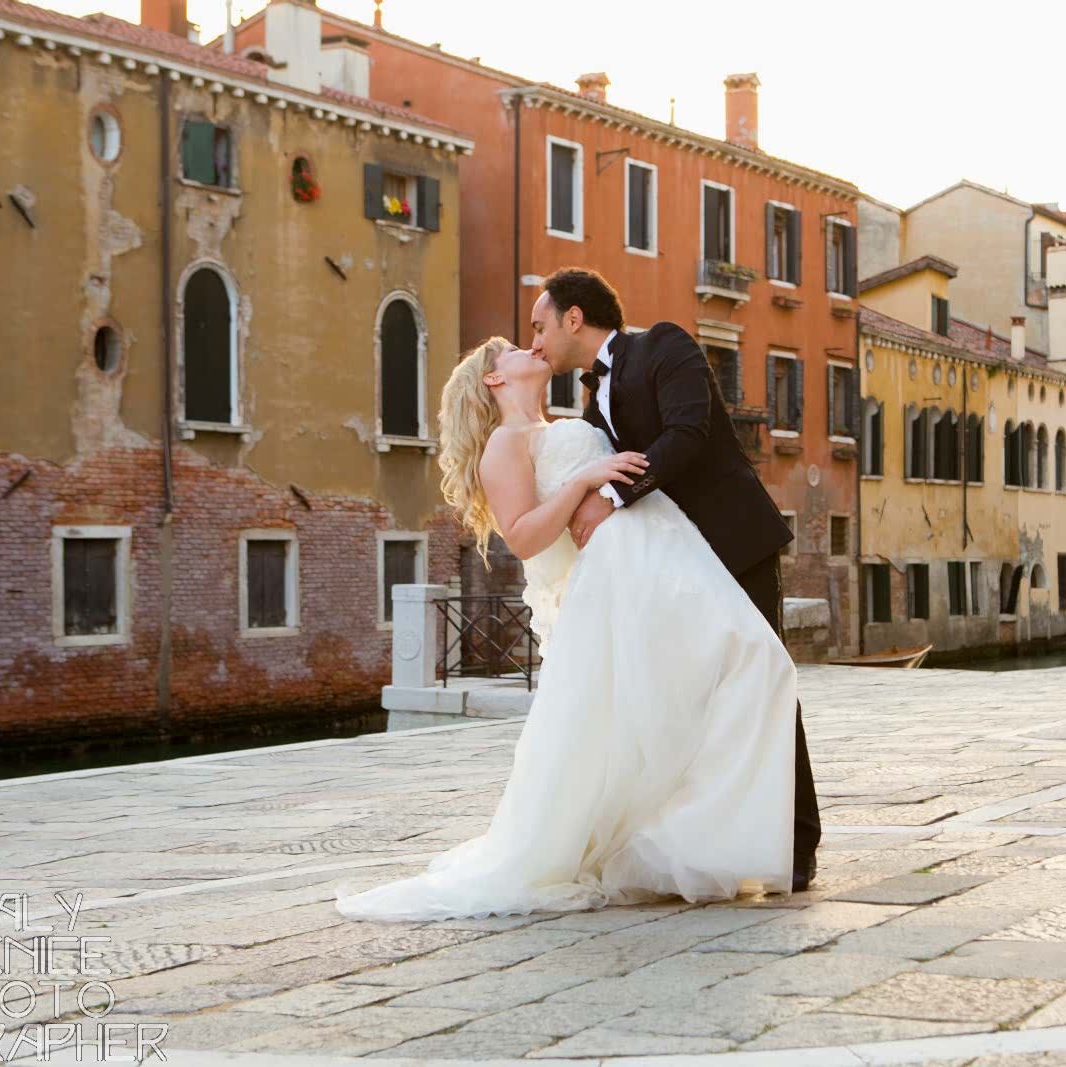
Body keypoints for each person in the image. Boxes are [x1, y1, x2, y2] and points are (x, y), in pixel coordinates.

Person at [337, 331, 799, 922]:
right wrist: (585, 482)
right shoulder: (505, 443)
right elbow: (524, 535)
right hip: (621, 575)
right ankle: (676, 845)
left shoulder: (567, 419)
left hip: (664, 554)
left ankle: (691, 838)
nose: (527, 345)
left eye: (532, 333)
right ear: (494, 379)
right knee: (726, 670)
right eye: (509, 348)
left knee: (743, 667)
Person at [548, 268, 821, 892]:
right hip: (673, 562)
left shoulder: (664, 344)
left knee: (766, 677)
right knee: (695, 695)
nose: (535, 337)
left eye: (541, 324)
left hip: (733, 543)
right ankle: (717, 833)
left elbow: (688, 434)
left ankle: (799, 841)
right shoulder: (595, 401)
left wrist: (611, 498)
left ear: (573, 318)